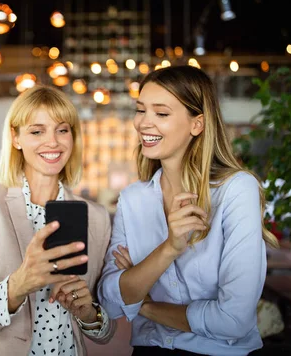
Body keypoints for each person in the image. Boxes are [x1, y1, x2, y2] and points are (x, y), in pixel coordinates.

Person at [98, 66, 279, 355]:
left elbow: (234, 320)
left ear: (197, 124)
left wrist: (143, 304)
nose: (144, 123)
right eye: (141, 110)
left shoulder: (236, 190)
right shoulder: (133, 199)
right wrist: (169, 248)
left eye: (161, 113)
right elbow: (109, 300)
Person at [0, 86, 115, 356]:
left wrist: (89, 312)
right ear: (15, 137)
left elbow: (105, 331)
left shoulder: (95, 217)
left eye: (62, 130)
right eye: (37, 131)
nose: (53, 142)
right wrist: (19, 284)